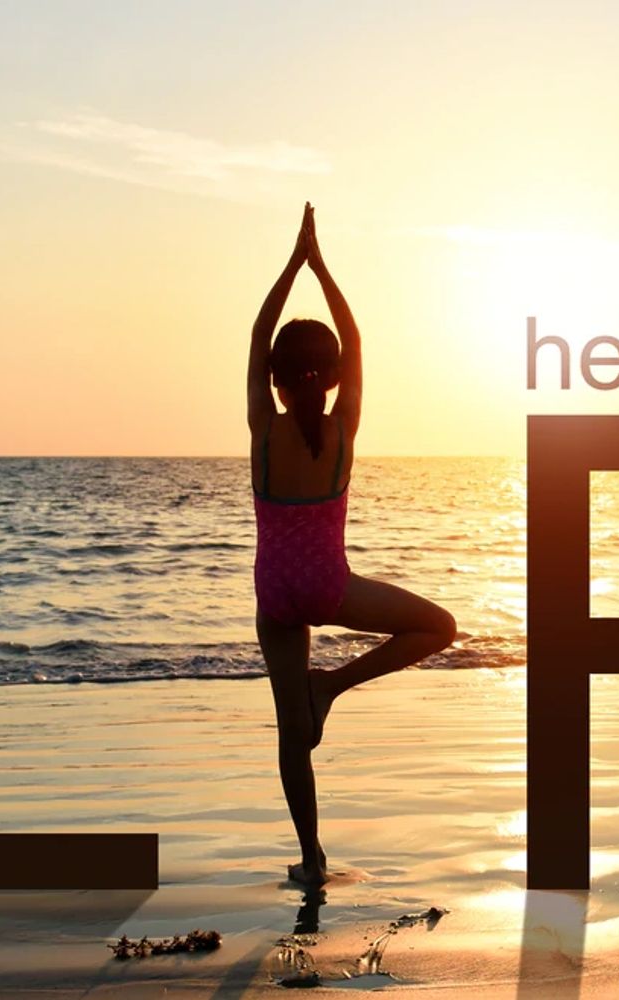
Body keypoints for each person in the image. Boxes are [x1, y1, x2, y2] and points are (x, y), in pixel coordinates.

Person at [247, 203, 457, 887]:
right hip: (329, 590)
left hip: (275, 596)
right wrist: (323, 264)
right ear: (332, 378)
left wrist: (294, 263)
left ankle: (311, 858)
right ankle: (331, 686)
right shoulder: (344, 429)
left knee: (290, 733)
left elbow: (257, 335)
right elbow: (356, 338)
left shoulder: (263, 430)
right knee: (439, 627)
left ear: (277, 379)